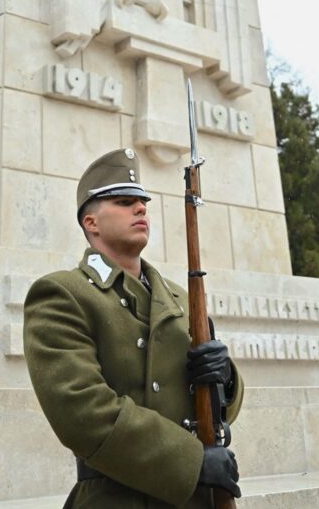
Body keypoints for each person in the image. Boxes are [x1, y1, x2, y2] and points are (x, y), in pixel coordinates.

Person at [23, 148, 243, 508]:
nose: (141, 209)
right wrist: (190, 463)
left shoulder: (179, 297)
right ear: (91, 222)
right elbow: (81, 412)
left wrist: (227, 381)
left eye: (142, 202)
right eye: (125, 202)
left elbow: (212, 411)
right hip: (117, 498)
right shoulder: (63, 294)